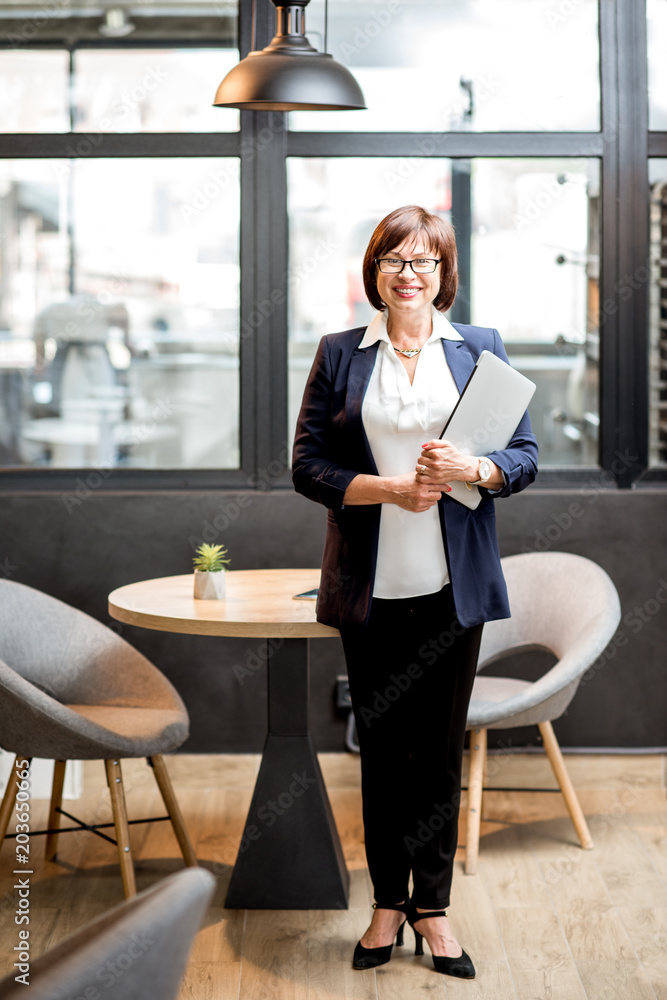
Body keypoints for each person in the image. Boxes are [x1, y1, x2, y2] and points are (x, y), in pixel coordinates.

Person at [292, 205, 538, 979]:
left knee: (435, 755)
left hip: (449, 590)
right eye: (393, 260)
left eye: (423, 261)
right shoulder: (339, 354)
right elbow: (307, 466)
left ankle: (431, 911)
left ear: (442, 274)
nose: (408, 274)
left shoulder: (479, 351)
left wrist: (477, 470)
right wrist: (386, 490)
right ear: (375, 273)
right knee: (380, 754)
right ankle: (384, 905)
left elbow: (525, 456)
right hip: (369, 589)